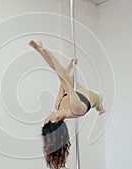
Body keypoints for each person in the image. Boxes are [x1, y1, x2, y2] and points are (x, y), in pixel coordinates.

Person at [29, 40, 106, 169]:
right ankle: (100, 107)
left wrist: (70, 66)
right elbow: (62, 77)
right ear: (53, 120)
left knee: (67, 79)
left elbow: (62, 83)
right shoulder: (74, 109)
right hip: (96, 97)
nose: (46, 117)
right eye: (46, 120)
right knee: (68, 80)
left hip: (81, 92)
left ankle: (100, 108)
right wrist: (45, 52)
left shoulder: (58, 105)